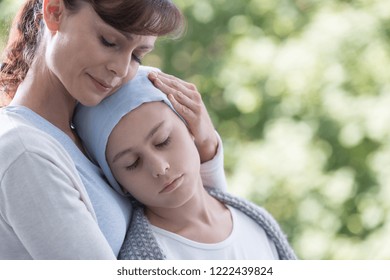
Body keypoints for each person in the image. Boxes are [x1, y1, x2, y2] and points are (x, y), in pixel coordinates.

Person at [0, 0, 227, 259]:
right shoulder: (24, 152)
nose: (120, 69)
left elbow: (200, 221)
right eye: (109, 41)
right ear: (54, 12)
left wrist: (206, 144)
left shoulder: (88, 134)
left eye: (137, 55)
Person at [74, 66, 296, 260]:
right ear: (118, 182)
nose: (159, 168)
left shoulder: (256, 222)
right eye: (132, 163)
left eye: (163, 141)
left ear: (191, 127)